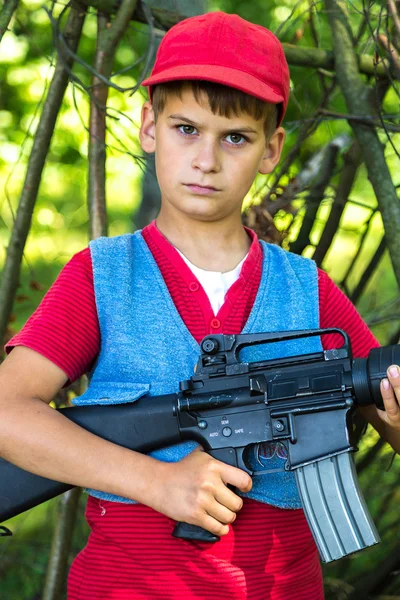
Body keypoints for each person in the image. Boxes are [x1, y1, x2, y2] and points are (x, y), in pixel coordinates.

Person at [1, 10, 399, 600]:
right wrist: (154, 481)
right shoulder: (105, 276)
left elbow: (388, 402)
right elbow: (8, 411)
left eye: (235, 137)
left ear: (271, 149)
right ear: (148, 127)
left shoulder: (306, 289)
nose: (207, 159)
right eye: (186, 128)